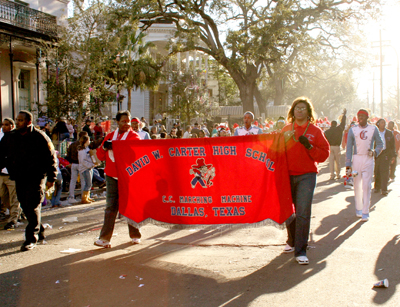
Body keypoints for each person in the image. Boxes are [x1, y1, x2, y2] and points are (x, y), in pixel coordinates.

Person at [281, 97, 330, 265]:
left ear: (309, 112)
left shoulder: (315, 131)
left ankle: (301, 250)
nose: (299, 110)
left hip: (307, 176)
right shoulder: (286, 129)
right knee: (289, 211)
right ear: (292, 112)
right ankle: (292, 240)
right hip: (287, 174)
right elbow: (276, 152)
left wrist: (309, 146)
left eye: (303, 108)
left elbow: (324, 154)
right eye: (297, 108)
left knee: (302, 212)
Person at [0, 110, 58, 251]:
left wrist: (52, 177)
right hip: (19, 177)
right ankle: (39, 227)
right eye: (17, 119)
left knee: (33, 205)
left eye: (20, 120)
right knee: (25, 206)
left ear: (28, 122)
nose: (18, 122)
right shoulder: (10, 137)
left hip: (36, 177)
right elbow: (1, 154)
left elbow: (51, 158)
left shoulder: (40, 137)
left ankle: (31, 238)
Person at [95, 110, 142, 248]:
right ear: (117, 122)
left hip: (127, 176)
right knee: (110, 207)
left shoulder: (134, 137)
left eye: (128, 121)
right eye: (124, 121)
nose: (127, 124)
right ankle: (104, 239)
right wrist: (105, 147)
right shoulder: (110, 136)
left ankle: (135, 235)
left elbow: (135, 155)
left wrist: (116, 147)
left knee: (130, 206)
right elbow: (100, 156)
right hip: (111, 175)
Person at [346, 109, 383, 222]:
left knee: (366, 185)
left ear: (367, 117)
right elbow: (348, 149)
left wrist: (375, 151)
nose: (360, 118)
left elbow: (380, 144)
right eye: (359, 116)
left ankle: (366, 211)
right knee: (357, 185)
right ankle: (359, 209)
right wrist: (348, 166)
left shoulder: (373, 128)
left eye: (362, 116)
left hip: (368, 159)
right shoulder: (353, 130)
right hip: (356, 160)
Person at [0, 118, 21, 230]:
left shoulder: (15, 138)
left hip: (12, 173)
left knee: (14, 197)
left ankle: (13, 219)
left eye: (6, 125)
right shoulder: (2, 138)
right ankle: (18, 212)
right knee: (4, 196)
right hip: (2, 173)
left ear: (12, 126)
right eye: (3, 124)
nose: (4, 126)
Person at [373, 119, 396, 196]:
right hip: (377, 154)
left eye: (384, 123)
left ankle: (384, 189)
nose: (383, 124)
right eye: (382, 123)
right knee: (377, 171)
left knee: (385, 172)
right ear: (378, 124)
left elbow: (392, 145)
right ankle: (377, 187)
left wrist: (393, 155)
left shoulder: (389, 133)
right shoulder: (375, 132)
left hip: (386, 154)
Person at [65, 131, 89, 204]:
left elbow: (68, 154)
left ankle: (71, 196)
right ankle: (84, 196)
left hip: (74, 164)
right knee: (83, 180)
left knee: (73, 180)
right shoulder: (84, 145)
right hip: (81, 164)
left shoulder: (73, 144)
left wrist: (70, 162)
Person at [324, 109, 347, 180]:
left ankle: (332, 175)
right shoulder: (339, 129)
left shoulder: (327, 132)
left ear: (331, 124)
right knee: (337, 161)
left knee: (331, 161)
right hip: (337, 147)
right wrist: (344, 115)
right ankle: (338, 174)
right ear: (336, 124)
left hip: (330, 147)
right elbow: (343, 123)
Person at [78, 135, 95, 204]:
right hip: (85, 168)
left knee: (89, 183)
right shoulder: (82, 151)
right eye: (88, 140)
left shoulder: (87, 149)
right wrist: (91, 165)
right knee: (88, 183)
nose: (89, 141)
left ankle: (87, 197)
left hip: (89, 167)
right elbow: (83, 161)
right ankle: (84, 198)